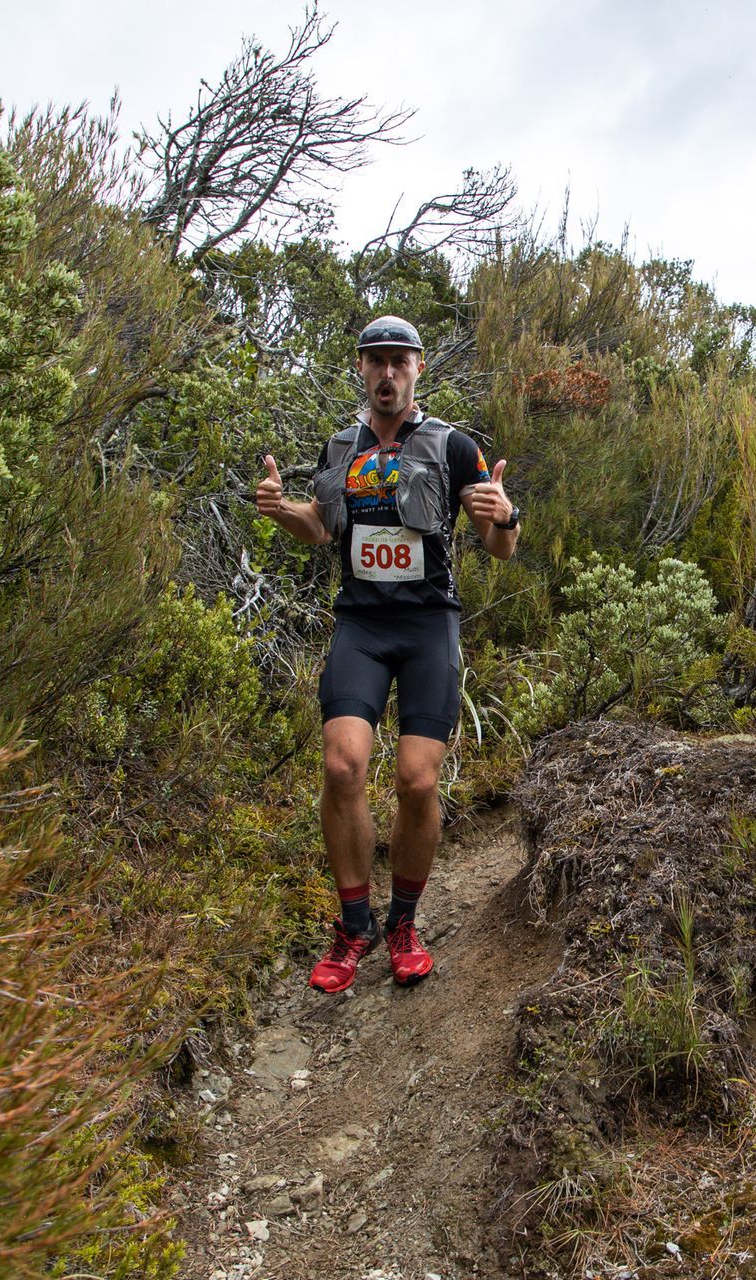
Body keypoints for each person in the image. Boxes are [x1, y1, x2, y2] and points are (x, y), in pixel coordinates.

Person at [254, 315, 520, 992]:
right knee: (342, 765)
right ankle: (354, 927)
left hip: (428, 627)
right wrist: (282, 509)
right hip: (362, 627)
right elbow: (321, 527)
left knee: (417, 780)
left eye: (400, 360)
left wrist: (505, 517)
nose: (388, 371)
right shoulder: (340, 447)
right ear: (361, 368)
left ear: (418, 368)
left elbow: (499, 546)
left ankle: (403, 923)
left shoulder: (453, 446)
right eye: (377, 360)